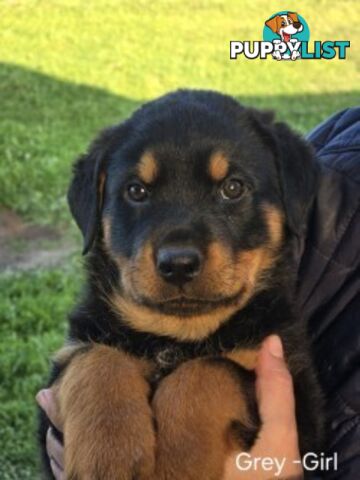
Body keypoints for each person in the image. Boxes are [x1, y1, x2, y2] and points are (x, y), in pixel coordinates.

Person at [37, 108, 360, 479]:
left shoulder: (268, 336)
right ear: (96, 208)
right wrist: (89, 383)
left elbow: (306, 441)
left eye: (233, 189)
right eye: (137, 191)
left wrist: (201, 397)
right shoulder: (344, 152)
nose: (178, 255)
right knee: (93, 369)